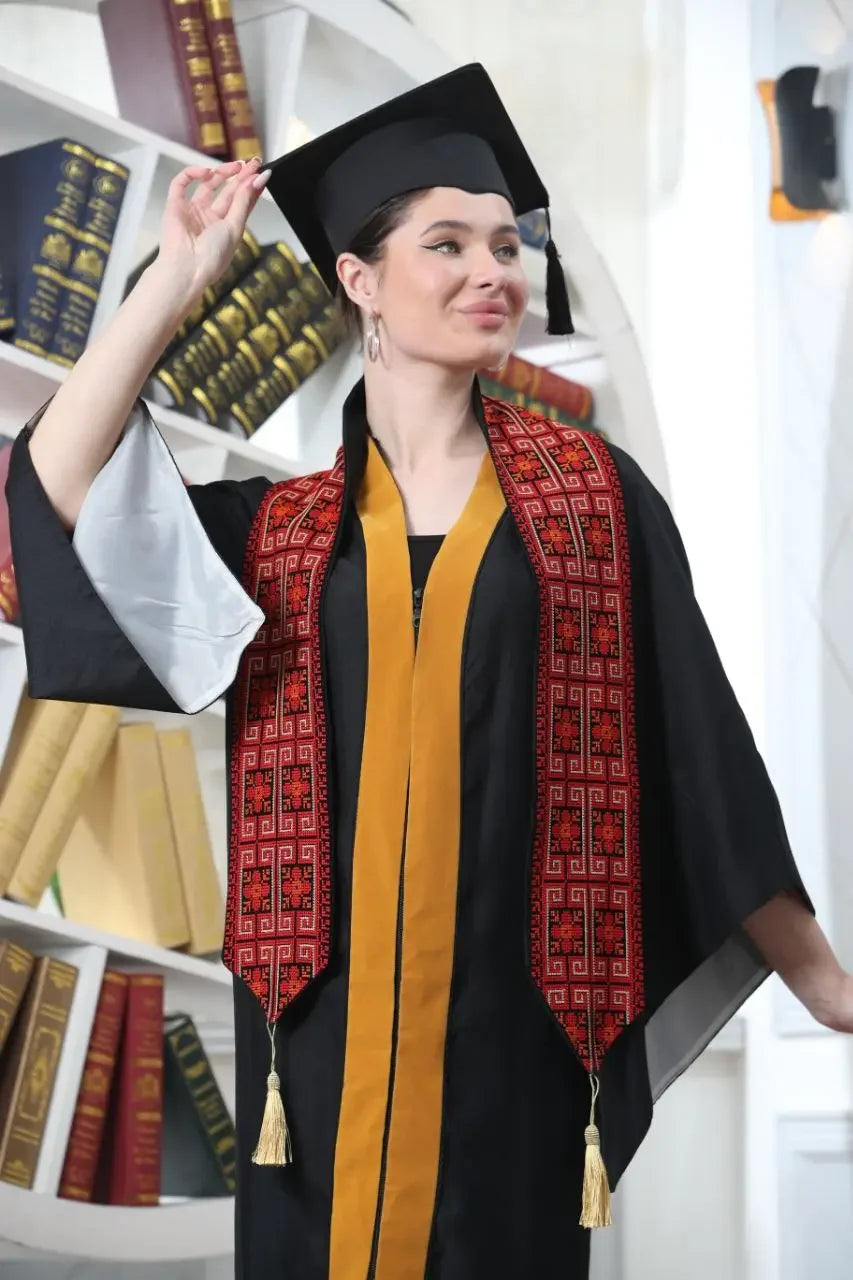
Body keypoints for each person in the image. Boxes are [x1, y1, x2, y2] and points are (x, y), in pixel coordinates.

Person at [5, 62, 851, 1280]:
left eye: (505, 244)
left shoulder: (591, 506)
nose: (489, 271)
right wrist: (173, 286)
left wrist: (819, 978)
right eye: (445, 244)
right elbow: (61, 487)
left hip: (514, 1030)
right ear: (360, 281)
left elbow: (698, 748)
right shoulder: (280, 532)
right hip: (316, 1031)